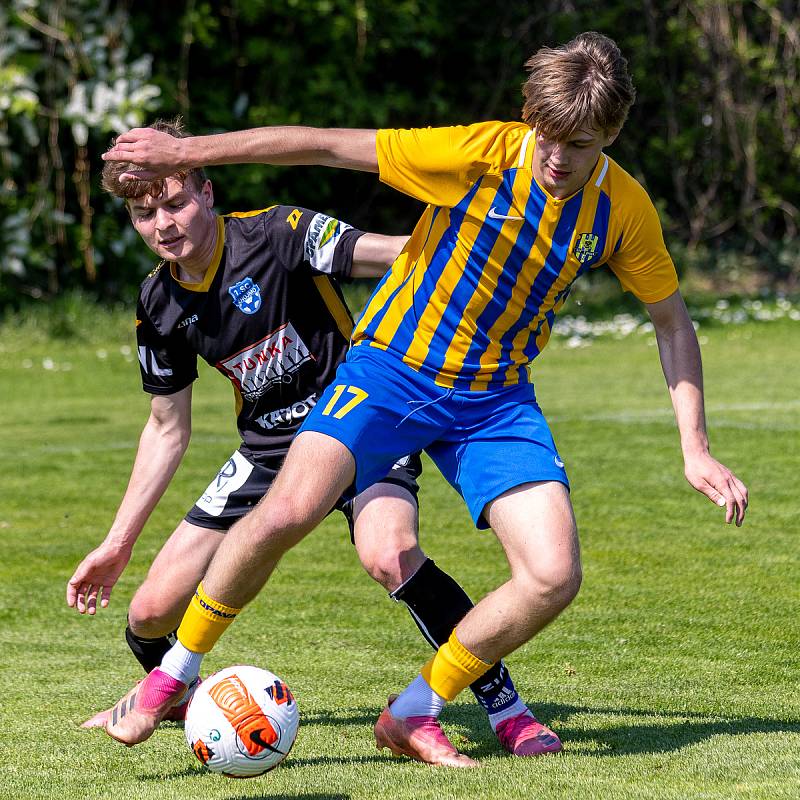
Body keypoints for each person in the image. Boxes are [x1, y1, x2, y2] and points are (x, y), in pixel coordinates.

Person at [97, 32, 748, 767]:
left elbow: (672, 321)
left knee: (552, 575)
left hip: (496, 399)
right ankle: (172, 675)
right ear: (529, 120)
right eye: (549, 139)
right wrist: (187, 154)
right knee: (286, 510)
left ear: (613, 135)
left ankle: (414, 711)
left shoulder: (622, 210)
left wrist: (694, 446)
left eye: (582, 145)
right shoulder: (478, 153)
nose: (558, 160)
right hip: (392, 371)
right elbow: (322, 144)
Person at [68, 119, 551, 758]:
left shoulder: (276, 232)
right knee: (150, 613)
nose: (164, 224)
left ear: (207, 193)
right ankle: (205, 705)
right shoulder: (157, 304)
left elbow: (390, 252)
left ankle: (506, 710)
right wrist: (116, 544)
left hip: (360, 423)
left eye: (175, 202)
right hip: (268, 450)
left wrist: (486, 251)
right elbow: (166, 430)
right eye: (142, 213)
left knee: (390, 552)